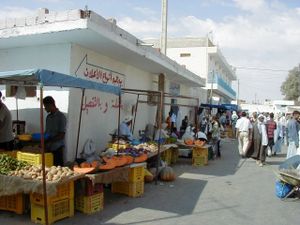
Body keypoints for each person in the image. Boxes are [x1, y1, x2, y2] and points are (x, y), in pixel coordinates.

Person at [43, 96, 67, 166]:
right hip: (48, 148)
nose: (45, 108)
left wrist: (50, 140)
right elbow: (46, 132)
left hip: (57, 149)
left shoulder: (61, 117)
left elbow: (62, 135)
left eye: (45, 106)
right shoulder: (48, 117)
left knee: (58, 169)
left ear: (50, 105)